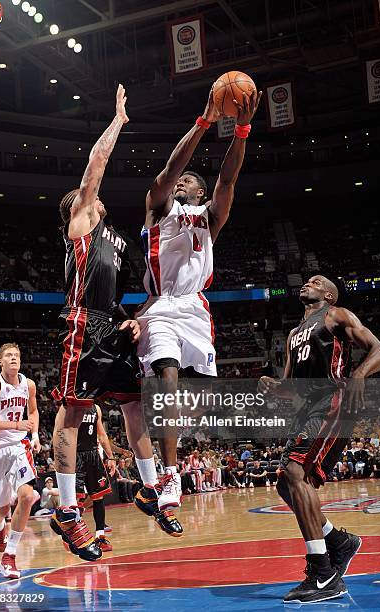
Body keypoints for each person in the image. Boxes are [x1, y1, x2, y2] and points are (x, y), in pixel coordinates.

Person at [51, 85, 181, 562]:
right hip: (83, 325)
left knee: (134, 409)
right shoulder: (82, 223)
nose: (95, 195)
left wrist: (132, 320)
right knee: (74, 414)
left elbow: (125, 292)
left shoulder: (118, 240)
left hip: (111, 324)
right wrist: (119, 121)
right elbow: (95, 168)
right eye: (87, 195)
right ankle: (67, 511)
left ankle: (152, 490)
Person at [137, 83, 263, 513]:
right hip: (160, 305)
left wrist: (242, 129)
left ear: (200, 194)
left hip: (194, 307)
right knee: (167, 377)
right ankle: (169, 475)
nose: (183, 179)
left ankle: (172, 433)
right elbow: (169, 170)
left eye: (191, 180)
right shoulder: (159, 206)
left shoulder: (210, 216)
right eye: (182, 178)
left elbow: (228, 177)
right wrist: (206, 121)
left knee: (199, 395)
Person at [259, 274, 380, 603]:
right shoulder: (292, 335)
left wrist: (359, 373)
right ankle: (338, 542)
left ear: (329, 295)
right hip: (308, 408)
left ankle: (323, 574)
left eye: (316, 281)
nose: (307, 283)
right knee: (284, 485)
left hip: (333, 402)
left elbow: (379, 350)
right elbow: (291, 386)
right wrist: (276, 388)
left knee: (294, 473)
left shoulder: (336, 315)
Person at [0, 343, 41, 578]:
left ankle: (9, 556)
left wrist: (35, 434)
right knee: (1, 508)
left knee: (27, 496)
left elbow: (34, 411)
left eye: (17, 355)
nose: (13, 358)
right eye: (8, 355)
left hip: (19, 446)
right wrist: (15, 424)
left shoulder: (28, 384)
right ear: (0, 361)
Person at [74, 404, 116, 552]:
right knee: (75, 499)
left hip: (92, 455)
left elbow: (102, 435)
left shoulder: (95, 408)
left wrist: (111, 457)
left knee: (99, 497)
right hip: (75, 454)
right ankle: (73, 536)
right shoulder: (71, 405)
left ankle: (100, 537)